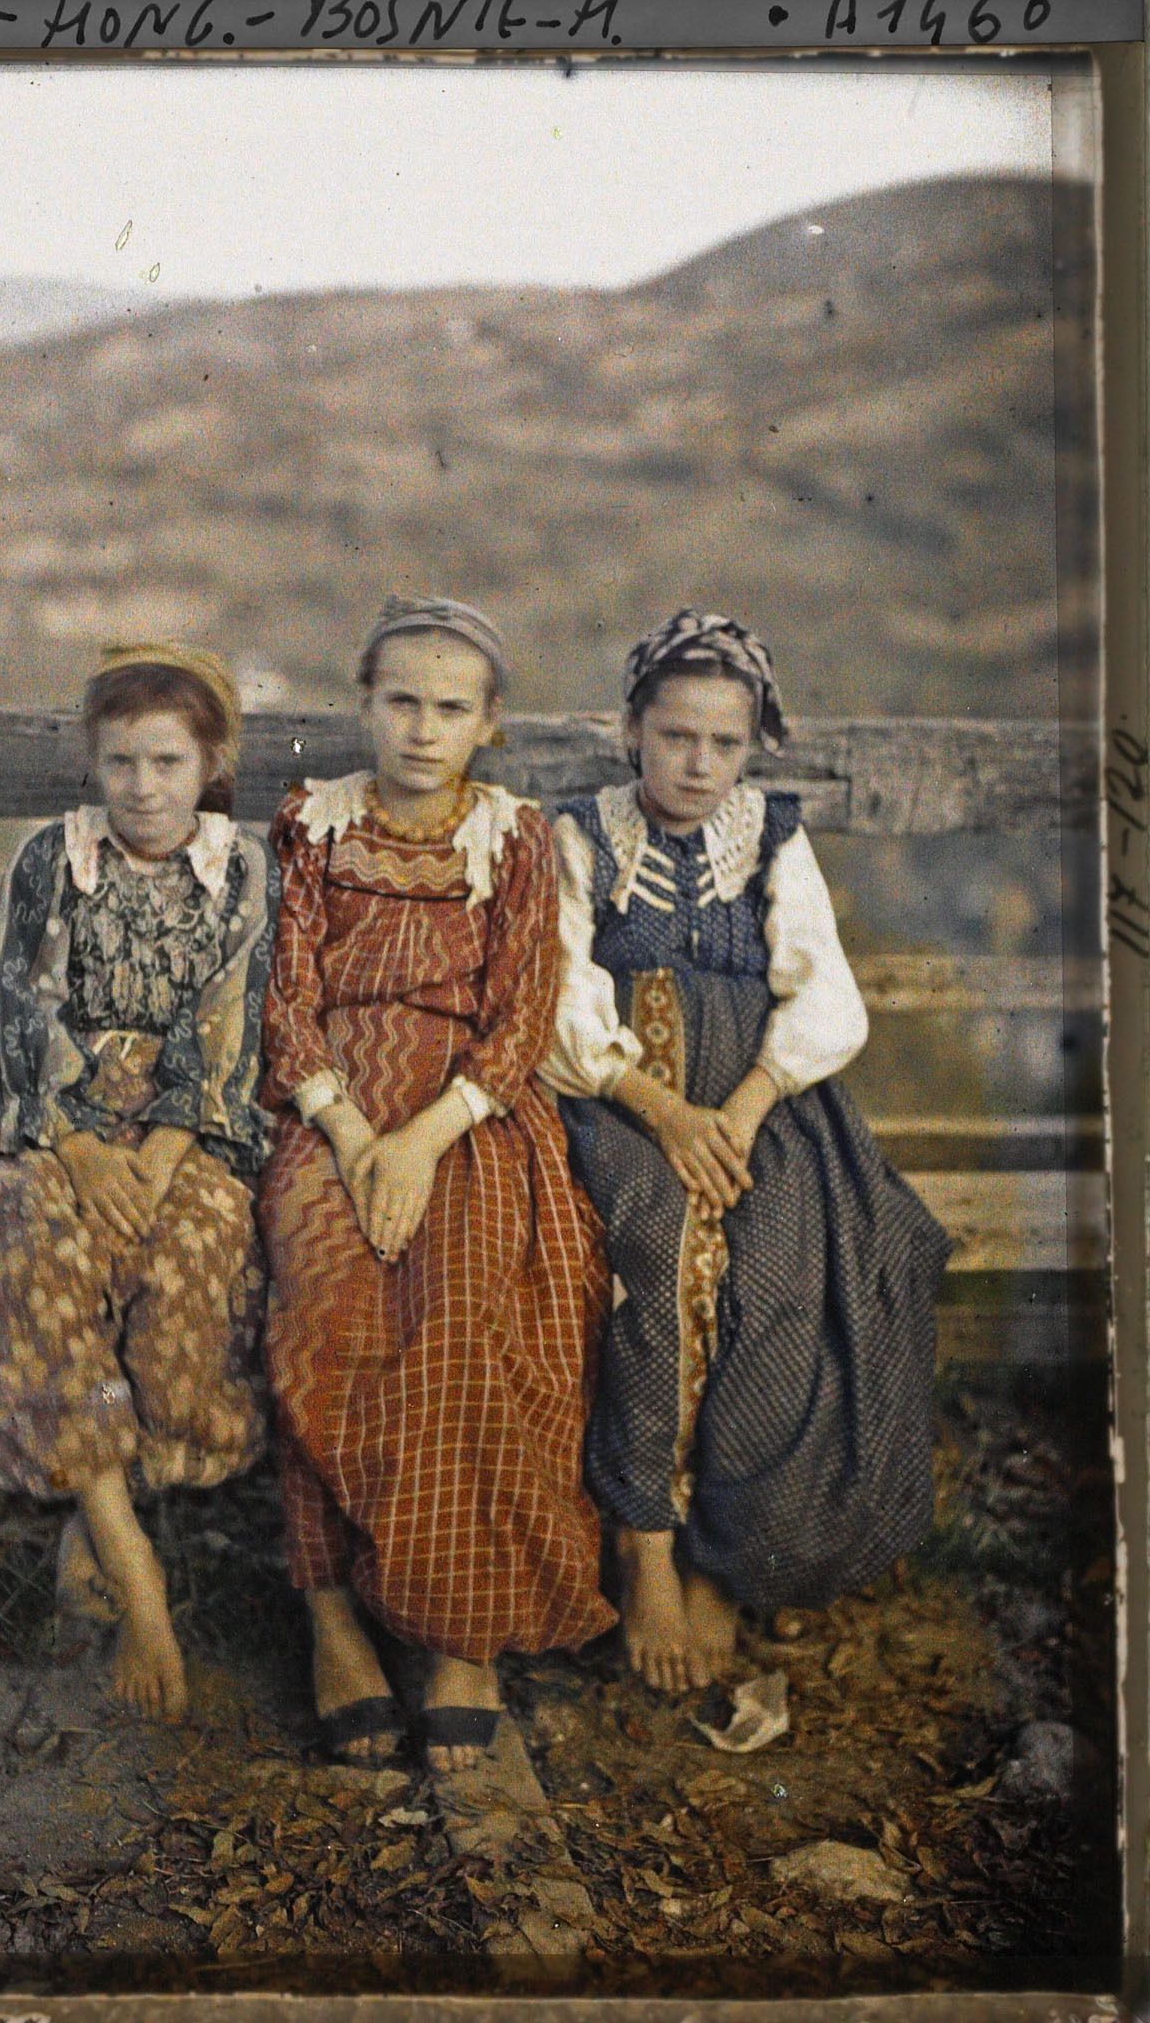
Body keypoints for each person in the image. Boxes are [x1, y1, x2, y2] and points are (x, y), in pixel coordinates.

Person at [543, 608, 950, 1694]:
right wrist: (661, 1113)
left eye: (723, 743)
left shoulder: (768, 836)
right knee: (652, 1245)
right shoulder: (579, 834)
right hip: (617, 1103)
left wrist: (747, 1102)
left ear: (751, 744)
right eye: (676, 736)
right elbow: (556, 991)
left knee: (779, 1262)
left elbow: (822, 988)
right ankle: (643, 1541)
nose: (699, 763)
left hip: (758, 1104)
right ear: (632, 727)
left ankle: (727, 1547)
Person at [259, 596, 615, 1774]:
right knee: (324, 1289)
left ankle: (465, 1633)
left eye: (450, 708)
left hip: (470, 1112)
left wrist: (418, 1141)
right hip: (333, 1107)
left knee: (477, 1293)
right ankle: (332, 1612)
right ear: (363, 705)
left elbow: (519, 1022)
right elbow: (288, 1000)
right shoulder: (313, 827)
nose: (421, 728)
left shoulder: (513, 840)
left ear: (488, 723)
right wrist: (352, 1133)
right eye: (399, 700)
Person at [0, 642, 277, 1721]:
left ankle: (97, 1498)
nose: (144, 788)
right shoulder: (50, 861)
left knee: (193, 1249)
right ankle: (131, 1553)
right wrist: (74, 1144)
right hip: (48, 1122)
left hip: (183, 1128)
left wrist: (160, 1151)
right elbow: (17, 1009)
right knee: (28, 1237)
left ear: (209, 761)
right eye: (122, 763)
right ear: (94, 763)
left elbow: (231, 1020)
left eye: (167, 762)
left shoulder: (241, 869)